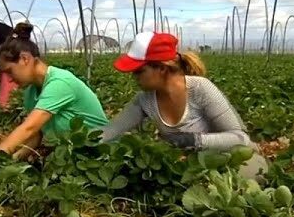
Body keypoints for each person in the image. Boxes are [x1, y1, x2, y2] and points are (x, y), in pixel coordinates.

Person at [98, 31, 268, 180]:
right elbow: (111, 131)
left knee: (248, 177)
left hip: (233, 157)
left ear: (161, 68)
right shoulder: (144, 100)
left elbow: (240, 138)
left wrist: (194, 140)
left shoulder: (200, 88)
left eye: (139, 71)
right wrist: (76, 142)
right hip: (193, 166)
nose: (134, 77)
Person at [0, 22, 108, 158]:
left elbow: (29, 127)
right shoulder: (31, 92)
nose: (9, 79)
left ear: (25, 59)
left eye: (10, 71)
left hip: (101, 152)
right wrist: (14, 158)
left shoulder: (59, 83)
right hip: (75, 154)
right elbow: (36, 133)